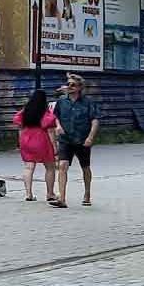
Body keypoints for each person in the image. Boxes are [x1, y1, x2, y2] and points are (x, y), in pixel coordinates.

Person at [53, 73, 102, 208]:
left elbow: (95, 119)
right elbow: (55, 116)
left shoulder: (88, 103)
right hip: (65, 138)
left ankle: (87, 194)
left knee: (85, 166)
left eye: (73, 84)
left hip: (82, 138)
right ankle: (62, 198)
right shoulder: (62, 101)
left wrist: (90, 137)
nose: (70, 86)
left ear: (80, 87)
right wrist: (58, 126)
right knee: (62, 165)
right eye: (68, 84)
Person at [14, 89, 58, 203]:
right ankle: (50, 194)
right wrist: (54, 147)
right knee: (50, 167)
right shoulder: (45, 113)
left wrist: (20, 142)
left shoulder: (25, 112)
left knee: (29, 167)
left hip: (26, 139)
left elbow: (19, 127)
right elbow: (51, 131)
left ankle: (28, 193)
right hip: (41, 140)